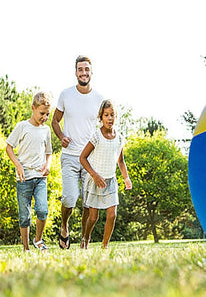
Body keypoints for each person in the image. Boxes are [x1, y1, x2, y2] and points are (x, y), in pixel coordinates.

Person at [52, 55, 104, 249]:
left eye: (87, 69)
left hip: (90, 159)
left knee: (88, 204)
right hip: (70, 156)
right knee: (69, 198)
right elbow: (55, 121)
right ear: (76, 73)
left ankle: (84, 240)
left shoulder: (100, 99)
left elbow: (103, 129)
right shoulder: (65, 95)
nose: (84, 73)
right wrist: (61, 136)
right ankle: (64, 226)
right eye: (80, 69)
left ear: (91, 72)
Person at [79, 99, 132, 249]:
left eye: (112, 115)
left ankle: (104, 246)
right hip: (96, 181)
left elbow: (120, 161)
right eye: (106, 115)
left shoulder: (120, 138)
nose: (109, 118)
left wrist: (126, 178)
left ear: (116, 117)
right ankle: (86, 237)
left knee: (112, 215)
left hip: (111, 181)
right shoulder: (96, 136)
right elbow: (82, 158)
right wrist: (94, 175)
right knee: (93, 217)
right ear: (101, 117)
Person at [6, 92, 52, 251]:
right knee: (25, 216)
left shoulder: (46, 130)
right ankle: (26, 248)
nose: (44, 117)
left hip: (40, 177)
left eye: (47, 114)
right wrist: (18, 165)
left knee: (42, 210)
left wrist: (48, 164)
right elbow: (9, 147)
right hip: (24, 178)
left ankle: (38, 240)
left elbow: (49, 152)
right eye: (42, 113)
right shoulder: (22, 126)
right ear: (33, 108)